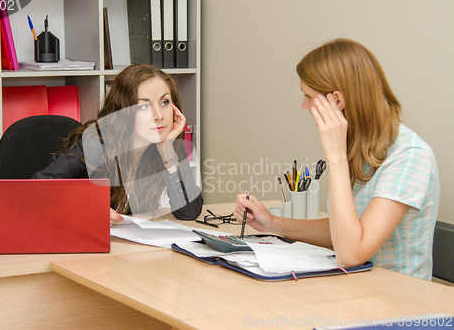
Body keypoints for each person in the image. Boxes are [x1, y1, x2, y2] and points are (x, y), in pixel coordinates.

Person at [234, 38, 439, 280]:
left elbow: (351, 254)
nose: (303, 105)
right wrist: (272, 224)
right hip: (353, 291)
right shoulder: (360, 147)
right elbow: (342, 232)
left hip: (397, 304)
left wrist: (336, 158)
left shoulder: (410, 156)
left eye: (308, 96)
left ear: (337, 101)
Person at [34, 64, 203, 224]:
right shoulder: (93, 144)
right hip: (82, 242)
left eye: (164, 102)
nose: (158, 115)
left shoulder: (167, 145)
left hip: (128, 245)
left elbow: (188, 212)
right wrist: (85, 207)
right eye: (143, 106)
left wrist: (168, 152)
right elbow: (37, 192)